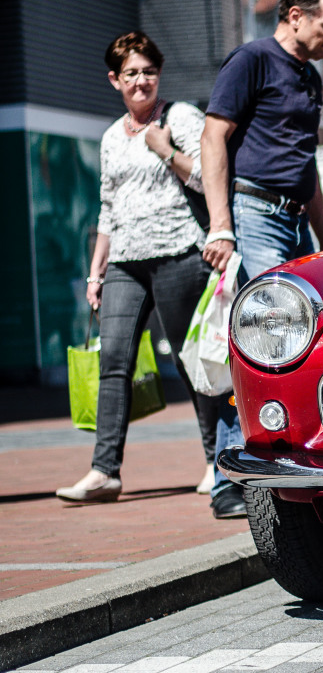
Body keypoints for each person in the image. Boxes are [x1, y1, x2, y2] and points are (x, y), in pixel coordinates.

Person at [56, 32, 231, 504]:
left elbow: (209, 175)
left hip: (179, 255)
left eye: (148, 72)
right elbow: (107, 209)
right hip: (125, 265)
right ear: (115, 80)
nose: (140, 82)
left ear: (159, 74)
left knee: (191, 363)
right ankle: (104, 471)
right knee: (113, 360)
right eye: (130, 74)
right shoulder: (112, 136)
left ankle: (218, 462)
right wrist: (96, 273)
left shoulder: (181, 118)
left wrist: (164, 149)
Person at [199, 0, 323, 518]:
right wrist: (221, 225)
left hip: (294, 218)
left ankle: (294, 457)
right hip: (254, 212)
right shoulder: (251, 61)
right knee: (267, 335)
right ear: (296, 15)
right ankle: (227, 478)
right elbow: (215, 137)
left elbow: (306, 167)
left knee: (303, 338)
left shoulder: (311, 79)